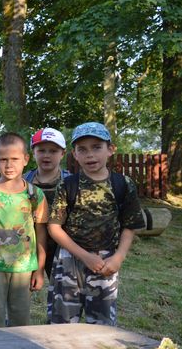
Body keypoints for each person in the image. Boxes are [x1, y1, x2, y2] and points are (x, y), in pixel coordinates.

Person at [48, 122, 145, 325]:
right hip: (69, 260)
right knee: (61, 325)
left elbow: (130, 225)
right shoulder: (67, 185)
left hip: (106, 262)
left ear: (110, 149)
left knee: (103, 327)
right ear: (74, 154)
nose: (90, 155)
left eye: (96, 147)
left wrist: (118, 257)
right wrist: (84, 256)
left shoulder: (123, 184)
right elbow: (54, 227)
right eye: (82, 149)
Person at [0, 132, 48, 329]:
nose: (9, 165)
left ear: (26, 159)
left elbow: (41, 233)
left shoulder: (35, 195)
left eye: (15, 159)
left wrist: (39, 269)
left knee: (20, 319)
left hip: (24, 268)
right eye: (3, 159)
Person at [23, 127, 71, 278]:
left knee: (62, 288)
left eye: (53, 151)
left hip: (61, 247)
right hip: (28, 245)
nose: (47, 155)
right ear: (33, 152)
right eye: (41, 150)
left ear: (62, 153)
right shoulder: (23, 181)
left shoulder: (70, 182)